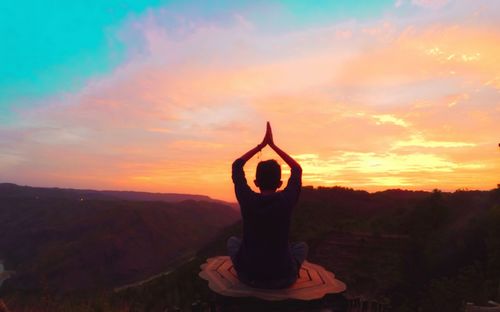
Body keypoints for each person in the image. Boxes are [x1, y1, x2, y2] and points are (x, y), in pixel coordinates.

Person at [228, 122, 308, 289]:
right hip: (283, 277)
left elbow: (237, 166)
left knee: (233, 241)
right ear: (279, 183)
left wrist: (261, 146)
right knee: (300, 247)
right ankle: (290, 268)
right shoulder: (286, 201)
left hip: (248, 275)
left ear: (256, 182)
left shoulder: (247, 199)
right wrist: (273, 146)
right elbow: (297, 169)